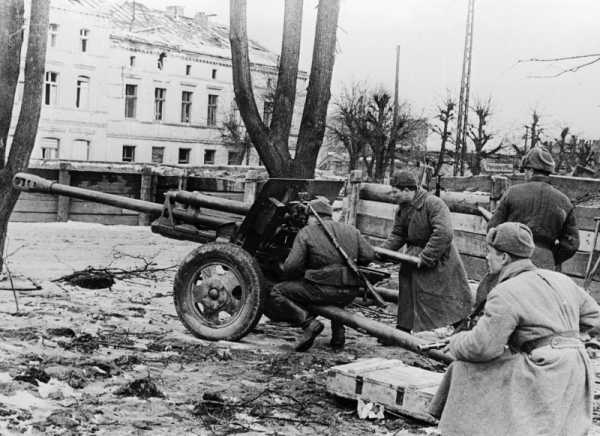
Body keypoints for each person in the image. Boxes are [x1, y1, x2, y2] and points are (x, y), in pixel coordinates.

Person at [429, 222, 600, 436]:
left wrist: (456, 341)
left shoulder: (504, 292)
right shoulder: (561, 280)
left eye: (490, 252)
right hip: (578, 368)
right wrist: (564, 335)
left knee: (464, 368)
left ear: (504, 257)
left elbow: (483, 348)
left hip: (543, 369)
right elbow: (595, 320)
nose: (487, 258)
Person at [476, 146, 580, 306]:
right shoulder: (564, 201)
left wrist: (502, 252)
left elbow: (493, 229)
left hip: (512, 260)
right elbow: (571, 244)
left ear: (530, 171)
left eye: (525, 170)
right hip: (545, 264)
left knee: (500, 304)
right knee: (539, 307)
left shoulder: (513, 193)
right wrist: (552, 255)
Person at [269, 198, 375, 352]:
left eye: (307, 218)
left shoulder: (307, 232)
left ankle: (309, 323)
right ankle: (338, 335)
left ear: (313, 217)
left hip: (323, 291)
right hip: (350, 292)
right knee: (336, 288)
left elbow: (291, 267)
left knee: (278, 291)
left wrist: (299, 272)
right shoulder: (351, 230)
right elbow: (369, 255)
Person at [381, 170, 472, 333]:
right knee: (407, 292)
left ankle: (461, 326)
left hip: (439, 257)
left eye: (395, 192)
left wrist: (426, 257)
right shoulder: (402, 208)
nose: (392, 196)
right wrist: (382, 252)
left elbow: (444, 233)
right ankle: (403, 329)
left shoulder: (433, 203)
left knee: (444, 295)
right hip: (412, 258)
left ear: (407, 190)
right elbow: (398, 234)